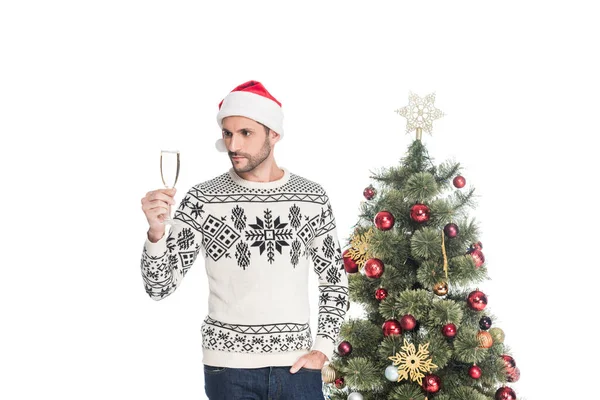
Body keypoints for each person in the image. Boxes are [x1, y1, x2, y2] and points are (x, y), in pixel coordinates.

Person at [139, 80, 349, 400]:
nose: (233, 145)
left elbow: (334, 280)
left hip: (297, 368)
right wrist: (156, 233)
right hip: (228, 371)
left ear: (274, 134)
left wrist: (322, 349)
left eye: (246, 133)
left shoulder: (312, 198)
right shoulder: (203, 199)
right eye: (227, 133)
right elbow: (159, 287)